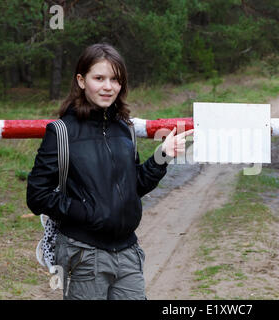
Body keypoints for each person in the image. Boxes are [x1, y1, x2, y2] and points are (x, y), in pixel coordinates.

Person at [26, 43, 193, 300]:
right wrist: (87, 212)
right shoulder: (61, 132)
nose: (108, 87)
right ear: (81, 81)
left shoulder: (125, 129)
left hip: (128, 252)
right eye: (99, 78)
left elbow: (134, 185)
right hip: (84, 254)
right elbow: (37, 195)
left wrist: (162, 155)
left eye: (115, 79)